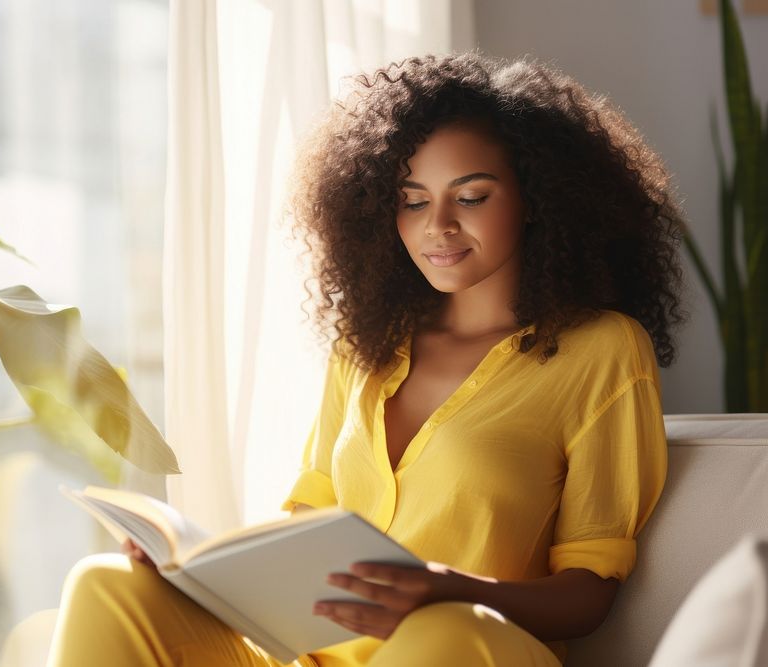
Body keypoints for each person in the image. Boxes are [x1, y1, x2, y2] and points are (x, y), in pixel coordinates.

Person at [45, 50, 687, 667]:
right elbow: (306, 524)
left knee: (446, 629)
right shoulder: (368, 344)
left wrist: (450, 589)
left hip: (475, 646)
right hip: (323, 654)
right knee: (109, 584)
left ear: (537, 200)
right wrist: (195, 571)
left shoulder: (602, 348)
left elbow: (590, 590)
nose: (437, 224)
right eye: (412, 200)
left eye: (471, 196)